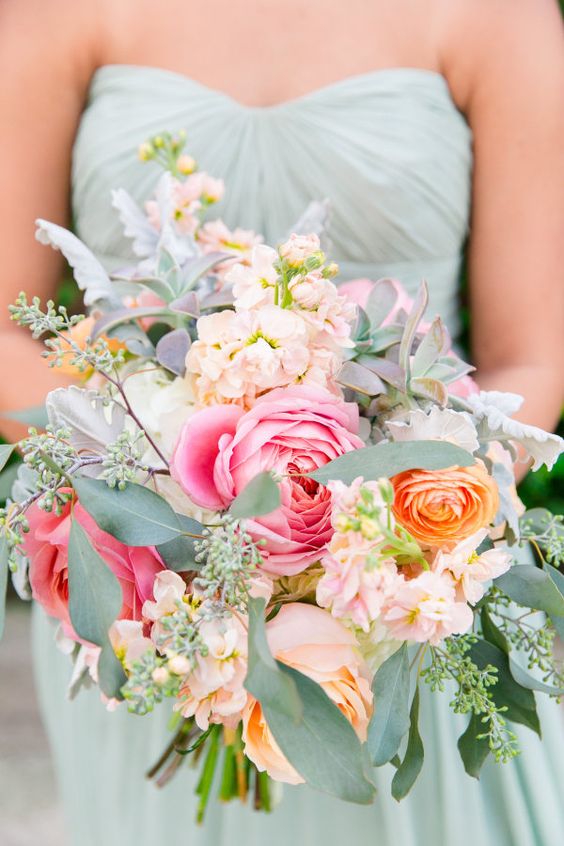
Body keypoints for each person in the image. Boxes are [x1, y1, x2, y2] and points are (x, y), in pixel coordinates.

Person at [1, 0, 563, 843]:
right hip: (151, 602)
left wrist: (376, 548)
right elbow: (11, 326)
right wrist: (171, 510)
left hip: (402, 603)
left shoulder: (499, 17)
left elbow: (530, 364)